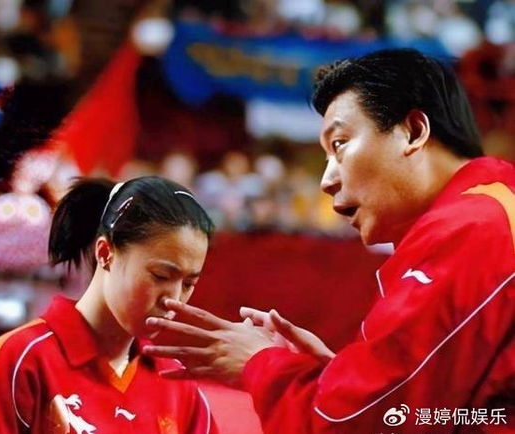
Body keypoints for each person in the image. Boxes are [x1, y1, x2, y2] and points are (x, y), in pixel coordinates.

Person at [142, 49, 514, 433]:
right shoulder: (495, 205)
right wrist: (338, 375)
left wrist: (261, 363)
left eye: (339, 144)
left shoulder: (473, 228)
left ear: (414, 131)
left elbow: (354, 425)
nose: (327, 180)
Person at [0, 177, 219, 434]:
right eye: (160, 276)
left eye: (188, 284)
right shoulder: (19, 360)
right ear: (105, 253)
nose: (173, 299)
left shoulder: (176, 381)